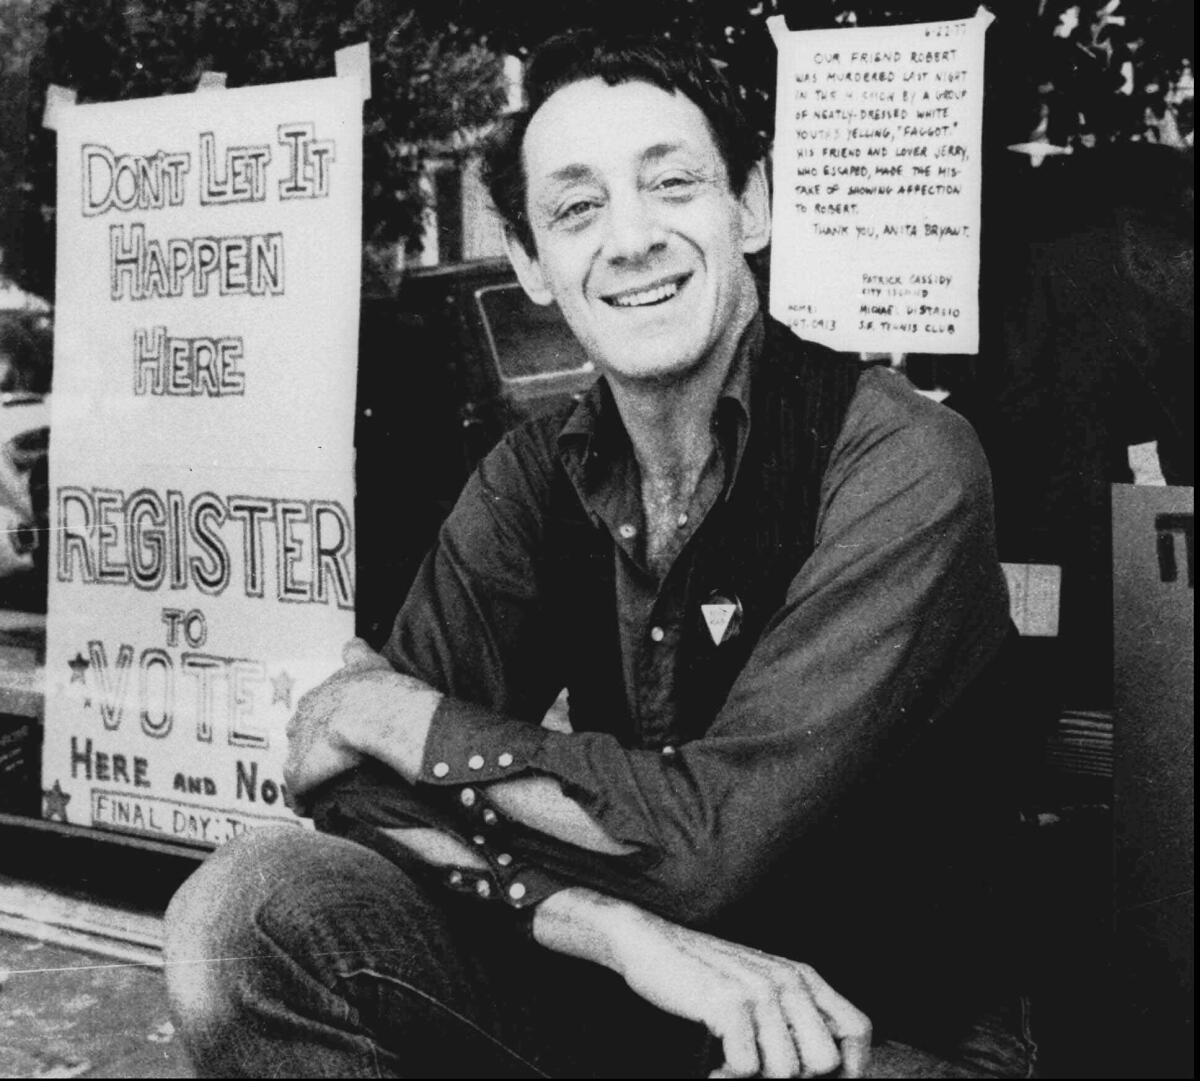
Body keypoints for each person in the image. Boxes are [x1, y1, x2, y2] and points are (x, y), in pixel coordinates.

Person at [164, 29, 1033, 1079]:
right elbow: (356, 799)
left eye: (672, 184)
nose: (631, 239)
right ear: (532, 262)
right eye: (577, 209)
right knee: (253, 910)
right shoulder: (538, 471)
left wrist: (390, 712)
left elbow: (717, 844)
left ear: (751, 204)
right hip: (636, 995)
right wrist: (607, 928)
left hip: (870, 1028)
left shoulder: (898, 458)